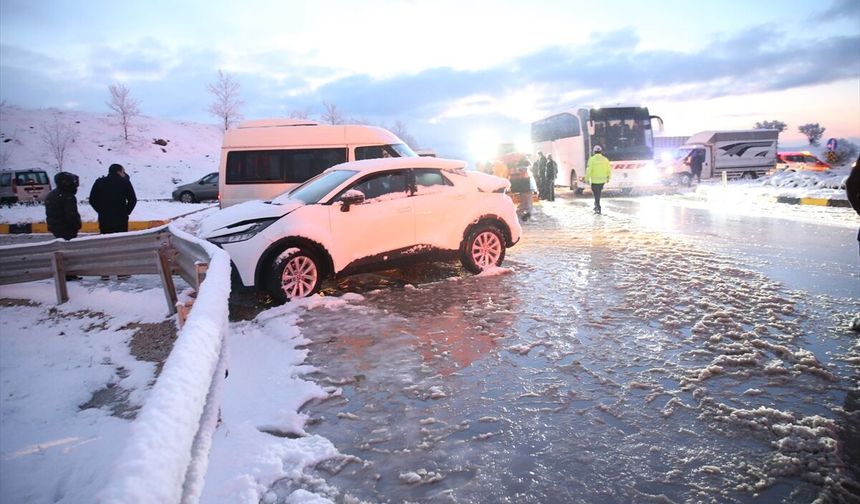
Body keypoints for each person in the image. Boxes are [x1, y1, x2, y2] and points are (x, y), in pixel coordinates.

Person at [45, 172, 82, 280]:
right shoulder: (67, 196)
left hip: (56, 227)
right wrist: (76, 225)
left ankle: (66, 273)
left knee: (62, 250)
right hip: (67, 228)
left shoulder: (52, 195)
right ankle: (69, 273)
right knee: (68, 251)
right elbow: (71, 214)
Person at [89, 163, 137, 234]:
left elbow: (92, 200)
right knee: (120, 239)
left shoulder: (99, 182)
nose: (124, 174)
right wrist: (126, 212)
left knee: (106, 238)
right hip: (121, 219)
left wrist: (101, 211)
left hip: (105, 219)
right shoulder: (125, 182)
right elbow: (133, 200)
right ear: (118, 172)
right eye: (123, 171)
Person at [585, 145, 611, 214]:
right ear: (601, 152)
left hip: (595, 180)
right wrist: (608, 178)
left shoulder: (592, 159)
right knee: (598, 194)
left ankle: (598, 207)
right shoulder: (605, 159)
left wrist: (586, 178)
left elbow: (589, 170)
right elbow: (609, 170)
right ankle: (596, 206)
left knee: (596, 194)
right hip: (602, 181)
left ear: (594, 152)